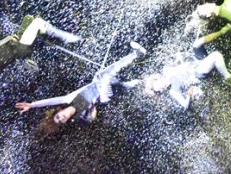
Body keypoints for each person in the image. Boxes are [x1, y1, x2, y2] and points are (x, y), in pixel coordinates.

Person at [15, 41, 146, 136]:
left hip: (97, 84)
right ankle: (137, 57)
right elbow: (92, 118)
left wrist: (31, 105)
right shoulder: (79, 117)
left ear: (59, 111)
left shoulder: (68, 100)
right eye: (61, 121)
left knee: (119, 82)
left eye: (58, 117)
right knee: (105, 75)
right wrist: (92, 111)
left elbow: (50, 101)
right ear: (65, 121)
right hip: (103, 96)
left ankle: (138, 75)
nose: (62, 118)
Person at [142, 48, 231, 110]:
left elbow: (179, 63)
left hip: (195, 62)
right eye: (159, 91)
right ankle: (228, 78)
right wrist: (189, 94)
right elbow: (185, 105)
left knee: (198, 43)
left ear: (156, 80)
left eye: (158, 87)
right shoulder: (173, 91)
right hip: (197, 73)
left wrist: (179, 56)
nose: (161, 89)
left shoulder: (166, 70)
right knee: (216, 55)